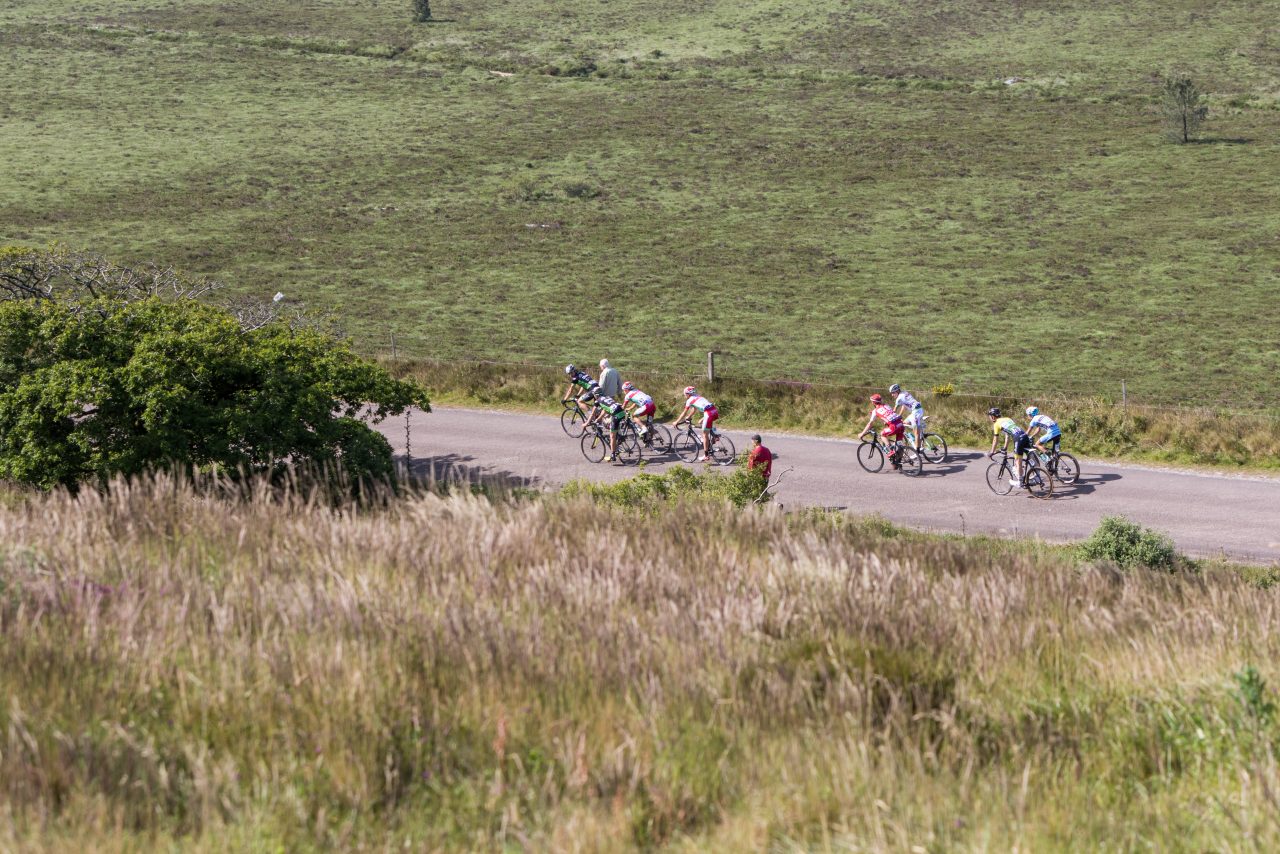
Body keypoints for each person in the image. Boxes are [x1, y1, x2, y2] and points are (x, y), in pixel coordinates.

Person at [988, 407, 1032, 489]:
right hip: (1024, 435)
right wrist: (1005, 447)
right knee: (1029, 457)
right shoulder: (1007, 419)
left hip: (1018, 438)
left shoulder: (996, 424)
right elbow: (1007, 436)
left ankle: (1020, 482)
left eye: (990, 416)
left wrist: (992, 452)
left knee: (1018, 460)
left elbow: (995, 440)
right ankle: (1036, 474)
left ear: (993, 417)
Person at [860, 393, 906, 468]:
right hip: (900, 424)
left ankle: (891, 450)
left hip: (893, 427)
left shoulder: (875, 411)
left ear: (873, 402)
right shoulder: (886, 405)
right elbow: (890, 414)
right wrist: (886, 421)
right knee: (899, 445)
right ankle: (898, 462)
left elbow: (869, 424)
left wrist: (862, 434)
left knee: (882, 434)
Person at [675, 386, 719, 462]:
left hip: (708, 413)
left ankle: (706, 456)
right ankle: (714, 435)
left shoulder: (689, 400)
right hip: (714, 411)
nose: (685, 396)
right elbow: (694, 409)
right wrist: (689, 416)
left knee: (704, 434)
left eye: (685, 394)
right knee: (700, 422)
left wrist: (676, 421)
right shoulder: (697, 396)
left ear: (688, 394)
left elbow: (684, 412)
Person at [591, 391, 630, 462]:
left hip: (616, 415)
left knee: (612, 436)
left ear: (596, 395)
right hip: (622, 412)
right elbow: (605, 410)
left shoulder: (597, 401)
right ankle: (619, 438)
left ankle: (613, 455)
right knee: (611, 424)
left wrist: (586, 423)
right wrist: (598, 419)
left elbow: (593, 413)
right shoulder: (607, 397)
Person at [890, 383, 925, 451]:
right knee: (904, 423)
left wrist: (890, 419)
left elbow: (894, 410)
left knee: (916, 433)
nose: (892, 395)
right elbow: (904, 405)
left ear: (897, 391)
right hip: (917, 411)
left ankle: (917, 451)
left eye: (893, 393)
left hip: (916, 413)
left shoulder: (899, 398)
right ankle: (917, 438)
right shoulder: (904, 392)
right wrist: (899, 415)